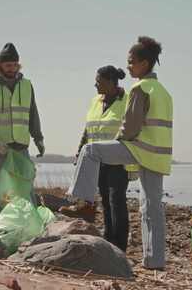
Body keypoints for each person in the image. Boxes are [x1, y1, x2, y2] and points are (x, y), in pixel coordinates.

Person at [60, 36, 173, 269]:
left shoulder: (140, 88)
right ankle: (155, 261)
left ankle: (84, 203)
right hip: (158, 156)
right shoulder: (163, 91)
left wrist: (118, 142)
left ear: (144, 63)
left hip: (139, 149)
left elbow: (131, 127)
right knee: (151, 208)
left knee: (91, 151)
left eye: (131, 62)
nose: (128, 66)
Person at [66, 65, 138, 252]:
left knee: (117, 201)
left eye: (99, 81)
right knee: (105, 202)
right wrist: (80, 152)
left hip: (118, 160)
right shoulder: (96, 101)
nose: (95, 84)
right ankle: (109, 241)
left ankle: (120, 246)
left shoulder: (127, 100)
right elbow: (88, 129)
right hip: (97, 161)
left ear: (110, 82)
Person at [0, 43, 45, 201]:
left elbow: (32, 113)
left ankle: (25, 224)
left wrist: (38, 138)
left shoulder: (27, 85)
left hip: (21, 147)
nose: (12, 69)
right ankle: (1, 225)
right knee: (0, 192)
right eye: (8, 65)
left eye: (15, 65)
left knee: (25, 190)